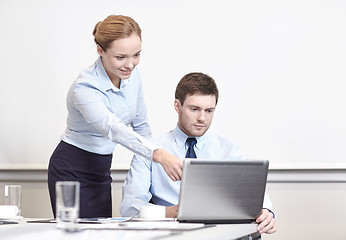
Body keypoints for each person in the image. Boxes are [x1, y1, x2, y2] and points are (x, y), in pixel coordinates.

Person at [47, 15, 182, 218]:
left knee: (102, 234)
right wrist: (159, 154)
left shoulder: (133, 76)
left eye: (136, 55)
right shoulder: (84, 88)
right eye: (121, 57)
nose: (130, 64)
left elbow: (141, 125)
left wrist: (153, 165)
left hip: (101, 169)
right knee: (76, 235)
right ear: (100, 50)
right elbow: (114, 128)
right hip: (71, 169)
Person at [120, 72, 277, 234]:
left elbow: (254, 195)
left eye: (209, 111)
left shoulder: (230, 151)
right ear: (177, 106)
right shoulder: (151, 151)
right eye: (194, 109)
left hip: (221, 234)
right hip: (168, 233)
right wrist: (171, 212)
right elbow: (129, 206)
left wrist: (266, 211)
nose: (202, 118)